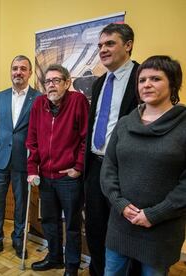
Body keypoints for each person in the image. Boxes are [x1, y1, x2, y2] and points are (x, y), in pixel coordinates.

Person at [101, 55, 186, 276]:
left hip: (160, 230)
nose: (146, 84)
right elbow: (109, 168)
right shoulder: (124, 124)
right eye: (142, 80)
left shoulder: (183, 125)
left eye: (155, 78)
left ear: (173, 83)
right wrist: (119, 203)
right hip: (121, 225)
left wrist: (154, 214)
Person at [84, 23, 140, 276]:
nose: (103, 50)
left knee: (127, 233)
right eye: (99, 46)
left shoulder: (143, 77)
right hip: (96, 166)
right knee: (95, 228)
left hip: (127, 171)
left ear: (128, 45)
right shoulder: (98, 84)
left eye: (110, 44)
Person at [0, 55, 41, 259]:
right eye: (15, 68)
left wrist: (35, 162)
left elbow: (40, 132)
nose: (18, 72)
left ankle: (18, 238)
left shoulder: (38, 98)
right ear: (10, 71)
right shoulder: (0, 97)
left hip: (24, 160)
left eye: (23, 68)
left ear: (30, 73)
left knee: (21, 203)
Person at [27, 64, 89, 276]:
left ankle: (71, 266)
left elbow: (85, 138)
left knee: (71, 224)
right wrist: (32, 169)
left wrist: (78, 167)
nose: (51, 85)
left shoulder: (77, 101)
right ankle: (54, 258)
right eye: (47, 82)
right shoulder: (39, 103)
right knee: (50, 222)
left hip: (68, 178)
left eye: (56, 81)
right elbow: (32, 139)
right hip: (45, 176)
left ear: (67, 82)